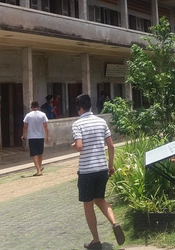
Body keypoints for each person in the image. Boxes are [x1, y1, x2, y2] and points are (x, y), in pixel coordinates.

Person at [71, 94, 124, 250]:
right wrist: (111, 165)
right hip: (102, 168)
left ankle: (96, 240)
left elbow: (79, 146)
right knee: (100, 199)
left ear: (79, 108)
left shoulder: (77, 124)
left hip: (87, 170)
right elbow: (111, 146)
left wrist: (73, 146)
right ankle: (114, 223)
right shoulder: (101, 122)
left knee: (88, 205)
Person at [21, 100, 50, 176]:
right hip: (40, 136)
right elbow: (46, 126)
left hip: (32, 137)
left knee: (34, 154)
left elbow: (25, 127)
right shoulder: (43, 115)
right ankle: (39, 168)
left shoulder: (28, 115)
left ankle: (38, 170)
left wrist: (23, 135)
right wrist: (47, 136)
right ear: (38, 106)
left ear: (31, 107)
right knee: (40, 153)